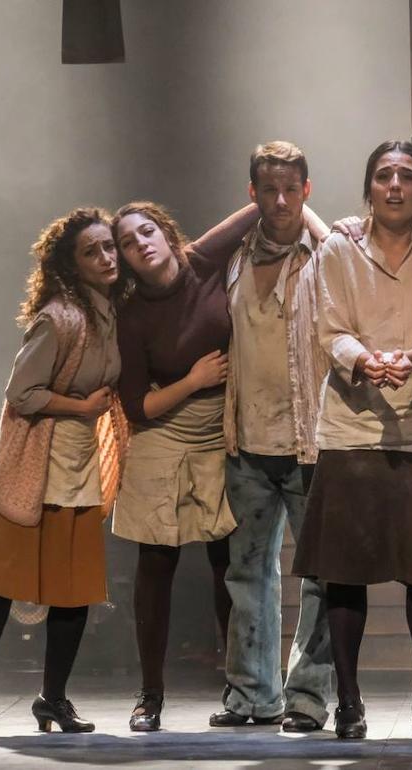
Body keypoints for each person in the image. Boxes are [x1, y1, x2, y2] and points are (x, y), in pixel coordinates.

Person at [292, 140, 412, 740]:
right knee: (345, 571)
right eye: (383, 176)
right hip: (352, 426)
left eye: (406, 176)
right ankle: (349, 702)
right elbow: (330, 326)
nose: (394, 186)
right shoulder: (339, 247)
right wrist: (365, 360)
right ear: (368, 187)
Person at [0, 207, 126, 735]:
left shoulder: (111, 312)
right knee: (0, 586)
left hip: (79, 467)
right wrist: (81, 407)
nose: (106, 257)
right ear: (72, 265)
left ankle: (53, 699)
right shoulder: (59, 318)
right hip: (33, 465)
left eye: (109, 246)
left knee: (74, 592)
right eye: (92, 251)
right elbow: (21, 393)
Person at [110, 200, 260, 731]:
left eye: (147, 231)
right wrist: (194, 380)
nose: (141, 244)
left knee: (226, 563)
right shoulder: (131, 314)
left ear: (167, 233)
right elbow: (136, 407)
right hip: (163, 429)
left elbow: (264, 202)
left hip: (219, 428)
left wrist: (335, 233)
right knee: (156, 563)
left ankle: (239, 690)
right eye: (128, 243)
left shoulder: (201, 259)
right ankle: (150, 695)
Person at [211, 141, 333, 733]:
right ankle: (252, 696)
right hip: (248, 440)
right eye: (268, 189)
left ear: (307, 191)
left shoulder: (328, 253)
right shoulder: (235, 256)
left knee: (321, 578)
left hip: (311, 441)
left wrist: (313, 224)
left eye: (291, 189)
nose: (280, 201)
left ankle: (307, 696)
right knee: (247, 574)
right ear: (252, 194)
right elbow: (188, 257)